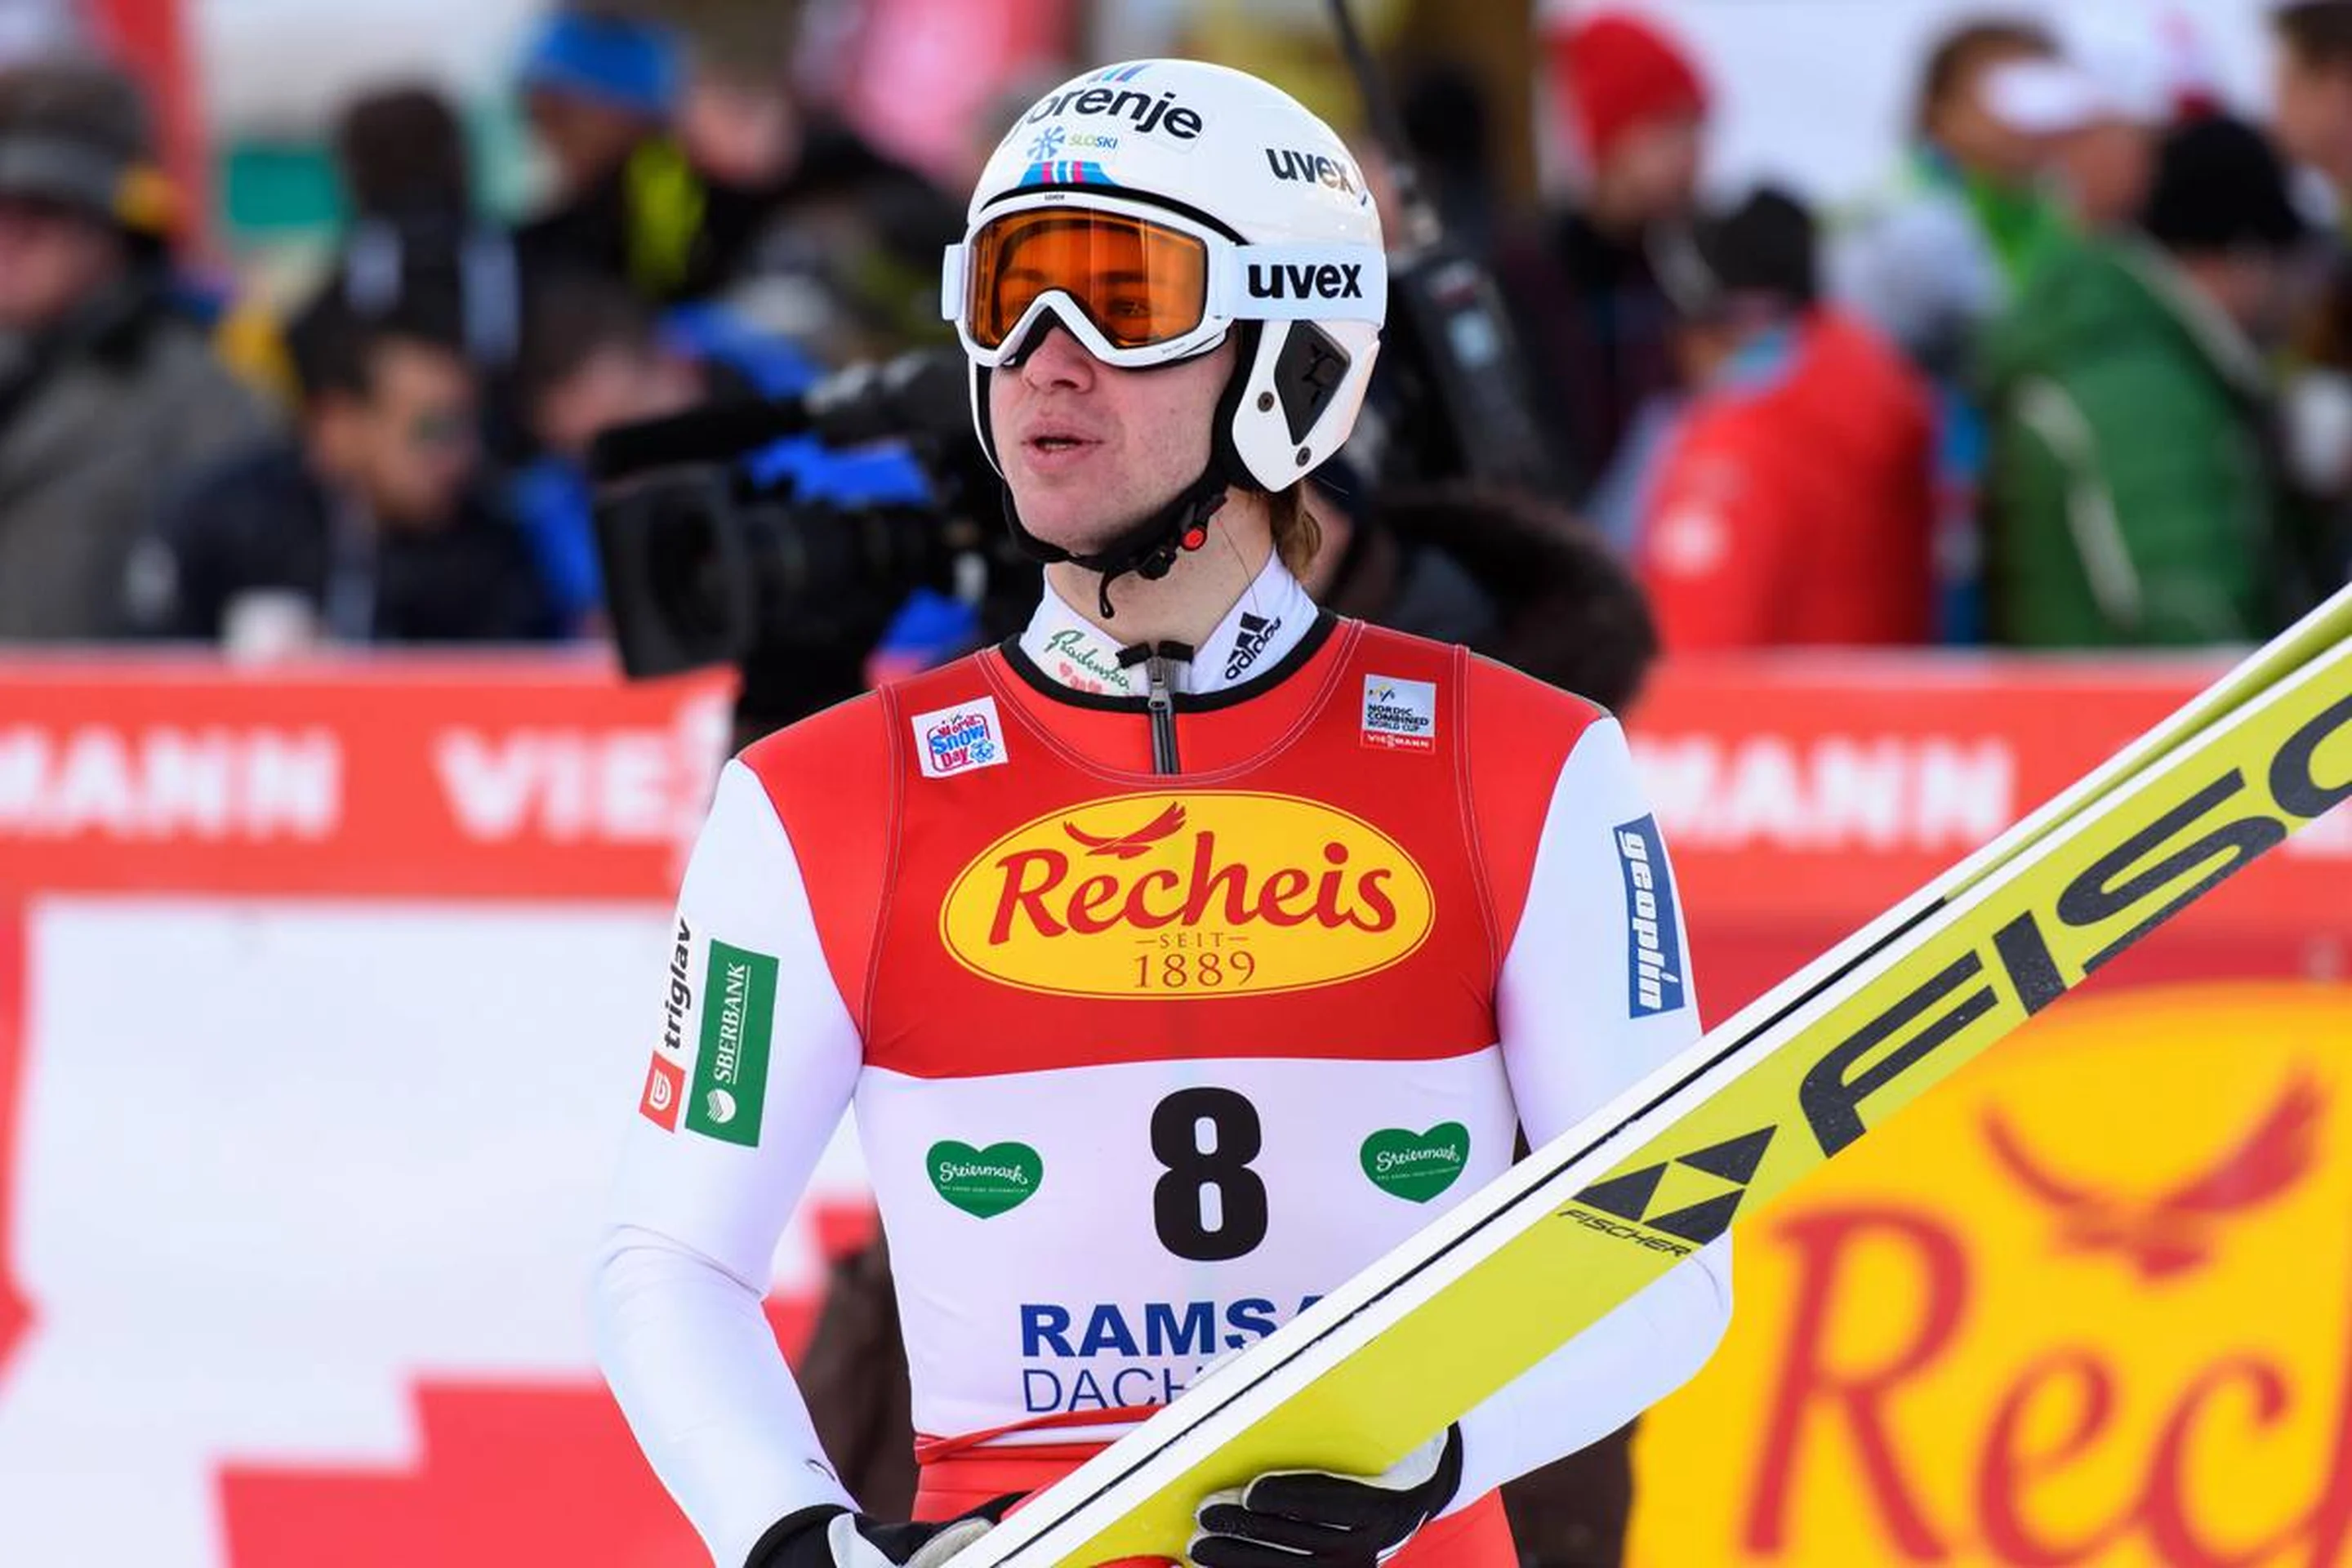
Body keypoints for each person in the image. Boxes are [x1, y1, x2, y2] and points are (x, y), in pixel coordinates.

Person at [592, 58, 1730, 1568]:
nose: (1044, 357)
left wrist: (1419, 1468)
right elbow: (668, 1256)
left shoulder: (1528, 762)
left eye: (1121, 300)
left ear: (1291, 361)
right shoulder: (813, 800)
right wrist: (796, 1536)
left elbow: (1661, 1254)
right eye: (1007, 297)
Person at [1980, 116, 2311, 647]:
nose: (2298, 294)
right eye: (2291, 263)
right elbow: (2185, 615)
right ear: (2248, 258)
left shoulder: (2135, 354)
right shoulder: (2147, 388)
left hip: (2094, 715)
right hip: (2130, 723)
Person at [0, 57, 273, 641]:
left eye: (44, 211)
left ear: (113, 231)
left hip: (105, 723)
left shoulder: (199, 399)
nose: (12, 237)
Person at [127, 296, 555, 648]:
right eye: (432, 430)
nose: (461, 454)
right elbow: (141, 665)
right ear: (339, 426)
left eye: (468, 426)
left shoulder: (489, 547)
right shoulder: (226, 524)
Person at [1633, 188, 1936, 650]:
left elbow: (1691, 653)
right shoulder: (1875, 381)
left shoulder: (1740, 443)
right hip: (1880, 711)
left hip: (1774, 716)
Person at [1492, 9, 1708, 511]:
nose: (1692, 157)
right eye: (1667, 130)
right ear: (1607, 137)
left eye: (1697, 132)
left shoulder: (1680, 270)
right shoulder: (1528, 275)